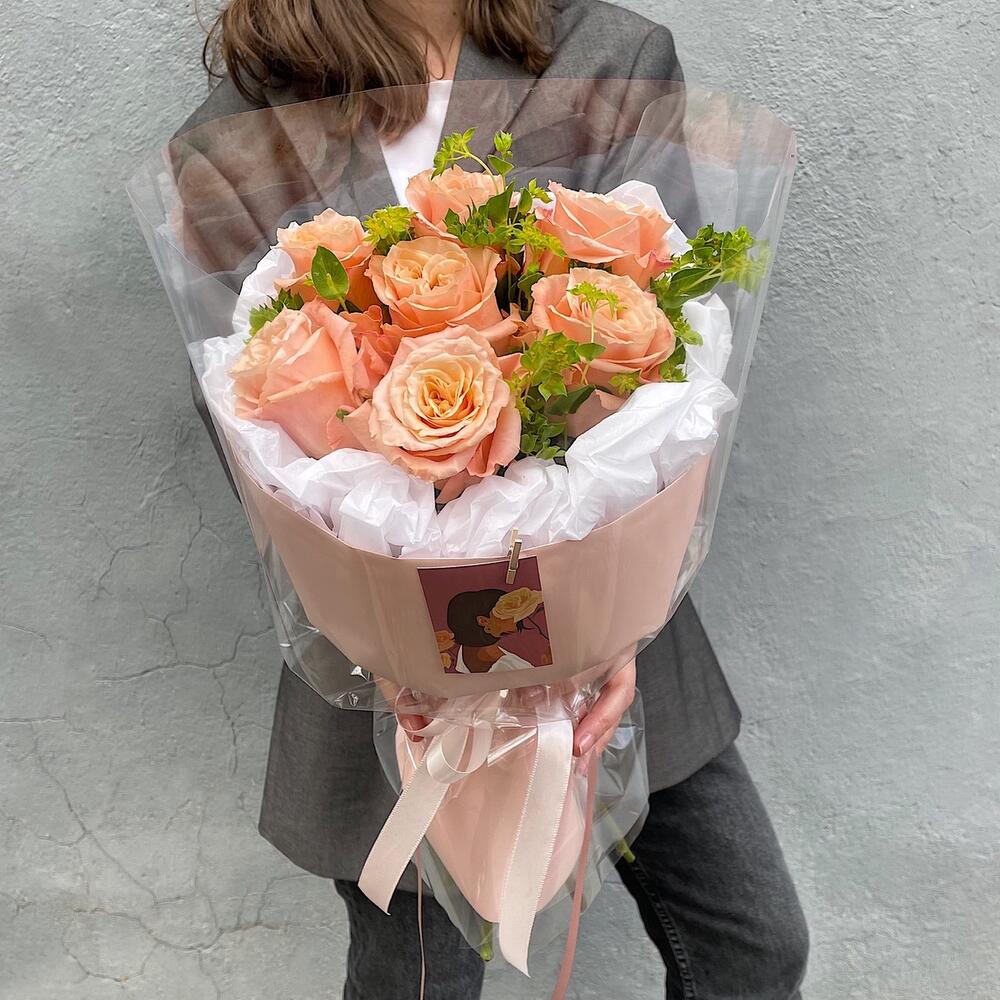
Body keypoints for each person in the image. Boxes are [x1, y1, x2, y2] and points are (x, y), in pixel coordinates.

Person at [176, 2, 810, 997]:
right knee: (420, 984)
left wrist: (606, 630)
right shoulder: (236, 136)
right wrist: (387, 643)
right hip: (387, 664)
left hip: (610, 626)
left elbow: (669, 358)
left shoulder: (608, 57)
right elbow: (247, 416)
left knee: (752, 946)